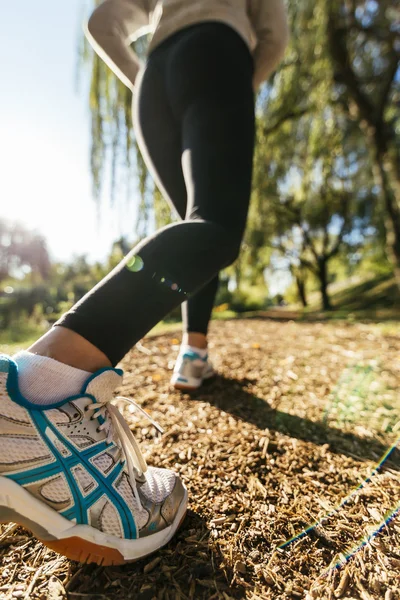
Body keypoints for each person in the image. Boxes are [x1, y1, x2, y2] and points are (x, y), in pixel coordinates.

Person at [0, 0, 289, 566]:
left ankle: (193, 355)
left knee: (194, 229)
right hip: (217, 57)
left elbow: (102, 23)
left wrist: (142, 78)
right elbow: (273, 37)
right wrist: (240, 87)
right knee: (215, 228)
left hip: (155, 80)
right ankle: (42, 388)